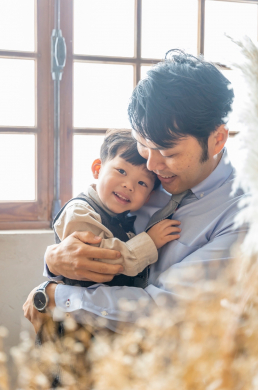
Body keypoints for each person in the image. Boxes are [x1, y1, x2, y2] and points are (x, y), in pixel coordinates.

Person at [23, 50, 247, 332]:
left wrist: (54, 295)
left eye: (167, 152)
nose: (152, 165)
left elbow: (159, 309)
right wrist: (53, 260)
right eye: (144, 145)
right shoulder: (142, 180)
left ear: (217, 139)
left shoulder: (242, 219)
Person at [52, 128, 181, 287]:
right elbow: (98, 260)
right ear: (97, 169)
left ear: (148, 197)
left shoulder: (123, 216)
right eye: (121, 171)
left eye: (142, 183)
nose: (129, 186)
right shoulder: (79, 211)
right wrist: (150, 242)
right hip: (81, 306)